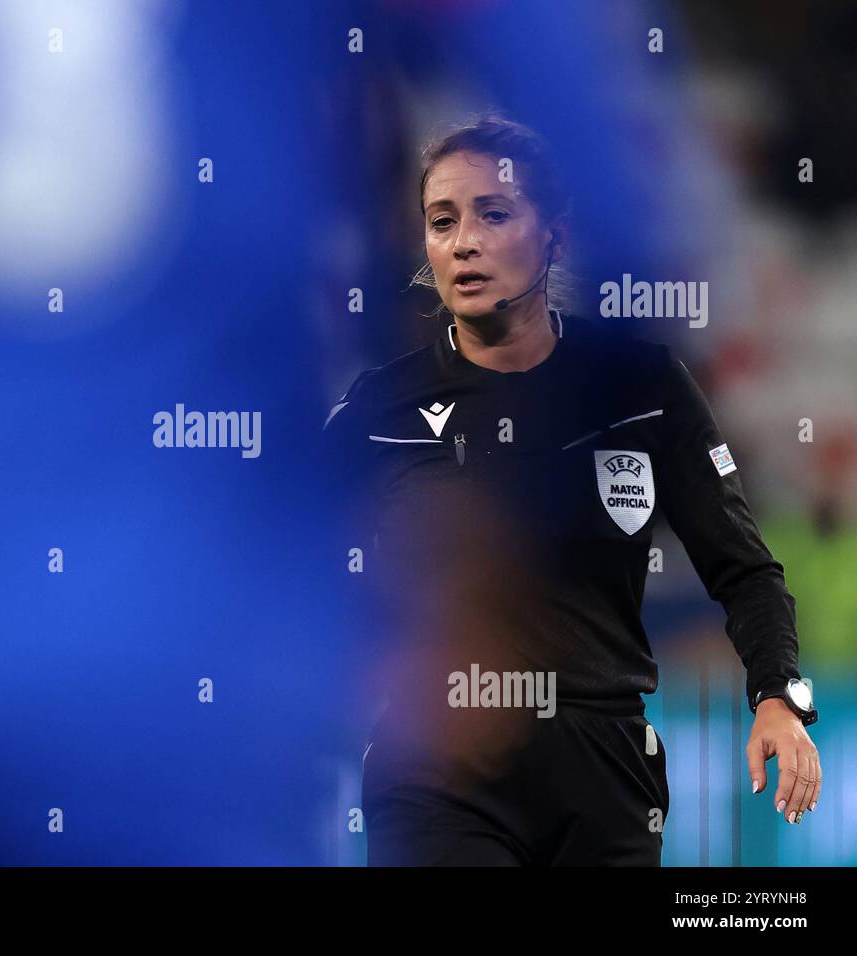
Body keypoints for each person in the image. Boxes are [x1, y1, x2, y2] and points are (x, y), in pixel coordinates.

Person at [323, 117, 820, 866]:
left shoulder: (642, 388)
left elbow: (745, 570)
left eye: (494, 214)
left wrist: (779, 696)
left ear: (553, 232)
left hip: (606, 768)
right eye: (442, 221)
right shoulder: (380, 409)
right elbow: (278, 562)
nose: (463, 243)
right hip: (438, 764)